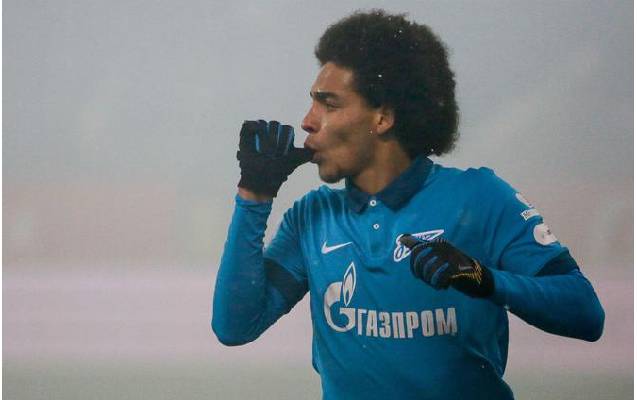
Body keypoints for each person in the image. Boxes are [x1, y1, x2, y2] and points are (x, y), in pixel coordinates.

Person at [212, 9, 605, 399]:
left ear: (383, 118)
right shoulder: (312, 217)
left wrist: (485, 280)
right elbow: (235, 326)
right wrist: (254, 194)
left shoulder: (479, 198)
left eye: (328, 104)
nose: (307, 121)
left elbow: (586, 313)